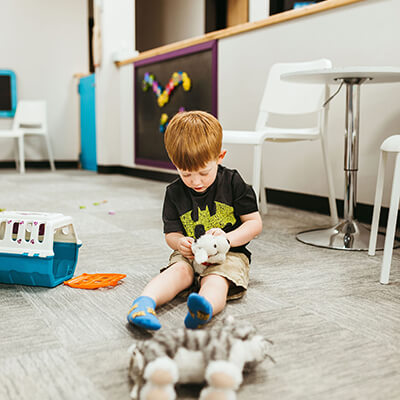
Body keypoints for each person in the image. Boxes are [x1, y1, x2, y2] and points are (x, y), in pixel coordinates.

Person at [127, 111, 262, 330]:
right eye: (186, 174)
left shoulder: (233, 182)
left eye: (203, 172)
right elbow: (171, 233)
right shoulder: (174, 192)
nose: (195, 181)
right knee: (176, 272)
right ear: (174, 164)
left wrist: (228, 239)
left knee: (217, 280)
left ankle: (203, 308)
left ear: (220, 157)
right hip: (189, 254)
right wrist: (179, 243)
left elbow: (254, 224)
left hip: (229, 253)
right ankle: (144, 303)